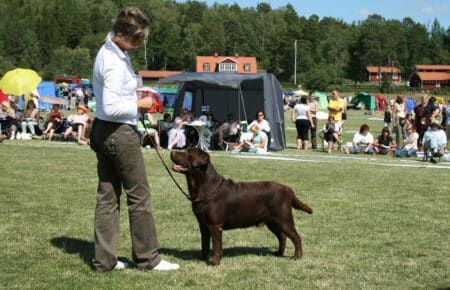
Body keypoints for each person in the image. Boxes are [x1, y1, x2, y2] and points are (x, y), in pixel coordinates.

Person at [90, 7, 179, 271]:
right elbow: (112, 106)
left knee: (107, 196)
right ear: (120, 34)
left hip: (102, 130)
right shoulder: (115, 62)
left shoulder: (110, 52)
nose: (139, 45)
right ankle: (147, 259)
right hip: (118, 132)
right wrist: (140, 104)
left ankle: (104, 260)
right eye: (136, 40)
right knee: (139, 196)